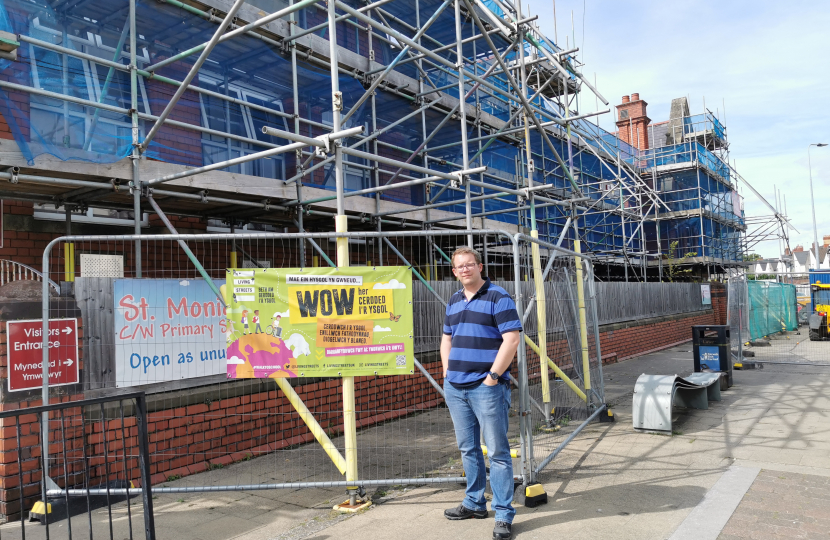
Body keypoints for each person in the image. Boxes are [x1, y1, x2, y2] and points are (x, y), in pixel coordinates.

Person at [441, 247, 521, 540]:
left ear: (479, 266)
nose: (464, 270)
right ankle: (474, 503)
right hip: (456, 387)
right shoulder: (453, 299)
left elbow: (511, 340)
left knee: (498, 453)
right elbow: (446, 339)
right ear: (454, 271)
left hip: (486, 388)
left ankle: (503, 514)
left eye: (469, 265)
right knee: (468, 449)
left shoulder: (498, 297)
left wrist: (493, 378)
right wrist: (448, 374)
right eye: (459, 266)